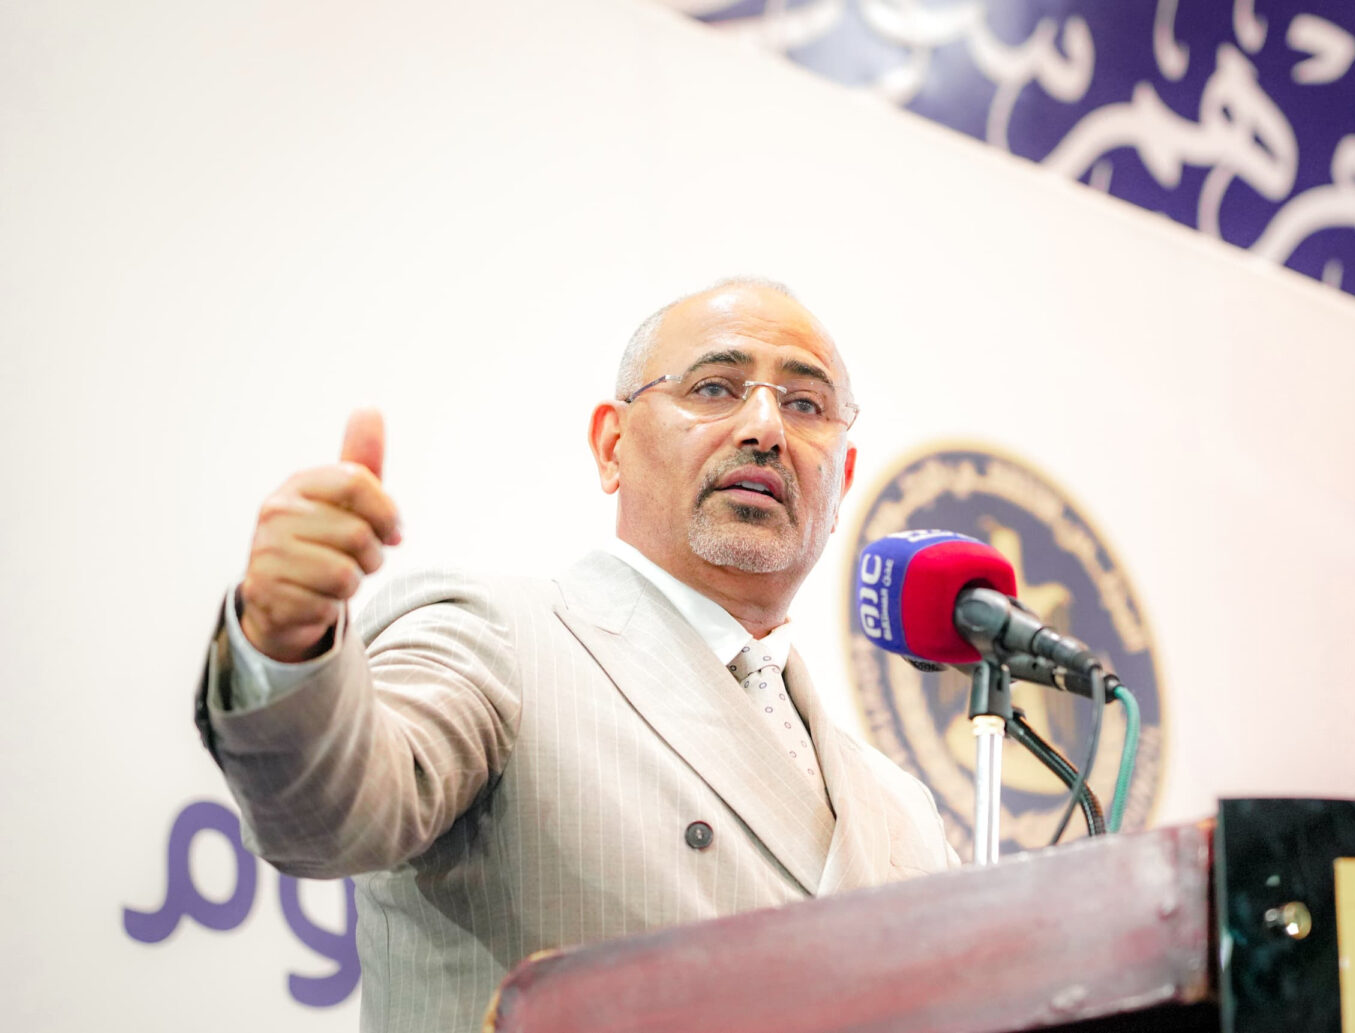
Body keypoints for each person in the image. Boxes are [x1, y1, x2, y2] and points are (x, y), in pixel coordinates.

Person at [195, 279, 956, 1033]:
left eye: (806, 405)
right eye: (715, 387)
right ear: (612, 444)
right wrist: (285, 646)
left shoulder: (902, 811)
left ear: (843, 478)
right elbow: (324, 812)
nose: (765, 427)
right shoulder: (498, 639)